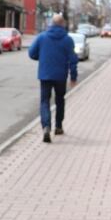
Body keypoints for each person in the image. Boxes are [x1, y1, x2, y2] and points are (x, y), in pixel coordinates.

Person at [28, 14, 78, 143]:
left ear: (51, 23)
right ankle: (58, 126)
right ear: (62, 24)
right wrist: (73, 76)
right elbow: (73, 59)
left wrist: (43, 58)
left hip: (45, 74)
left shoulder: (42, 37)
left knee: (45, 101)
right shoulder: (67, 39)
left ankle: (46, 126)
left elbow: (32, 53)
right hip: (61, 75)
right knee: (60, 100)